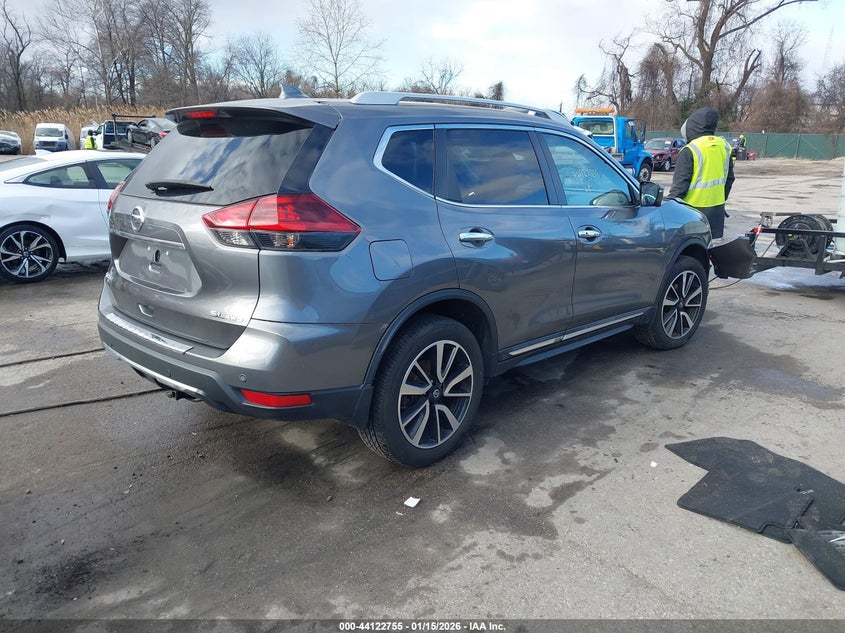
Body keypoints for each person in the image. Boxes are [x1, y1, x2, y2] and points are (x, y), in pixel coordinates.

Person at [668, 107, 735, 240]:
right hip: (716, 211)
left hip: (691, 212)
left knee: (692, 251)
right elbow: (729, 179)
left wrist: (668, 208)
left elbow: (680, 187)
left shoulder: (690, 149)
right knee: (712, 249)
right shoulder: (724, 146)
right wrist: (721, 200)